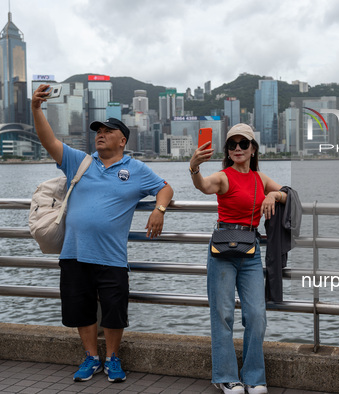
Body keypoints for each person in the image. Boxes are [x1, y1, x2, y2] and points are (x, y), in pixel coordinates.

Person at [31, 85, 174, 383]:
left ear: (122, 140)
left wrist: (158, 210)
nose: (100, 134)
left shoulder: (135, 168)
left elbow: (165, 187)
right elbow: (49, 141)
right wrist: (36, 108)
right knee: (80, 309)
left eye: (108, 131)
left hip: (111, 256)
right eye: (98, 131)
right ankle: (90, 357)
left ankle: (113, 358)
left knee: (113, 310)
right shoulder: (80, 162)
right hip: (74, 251)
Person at [189, 123, 285, 394]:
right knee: (223, 314)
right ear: (228, 150)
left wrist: (273, 194)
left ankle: (254, 377)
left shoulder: (261, 178)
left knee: (256, 315)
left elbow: (287, 192)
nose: (238, 148)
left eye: (244, 144)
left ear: (253, 148)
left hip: (251, 250)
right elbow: (204, 186)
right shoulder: (223, 176)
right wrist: (195, 168)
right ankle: (225, 376)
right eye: (233, 144)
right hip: (222, 251)